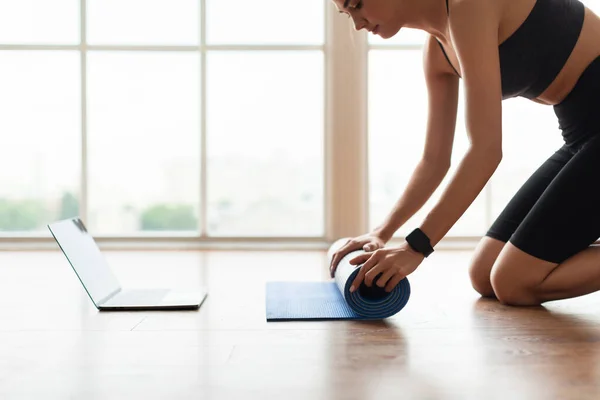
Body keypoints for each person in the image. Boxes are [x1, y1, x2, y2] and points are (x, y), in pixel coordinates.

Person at [328, 0, 600, 306]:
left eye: (357, 5)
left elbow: (485, 151)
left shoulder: (469, 6)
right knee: (484, 274)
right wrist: (382, 232)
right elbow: (434, 161)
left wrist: (415, 247)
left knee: (514, 282)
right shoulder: (437, 53)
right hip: (582, 136)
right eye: (346, 14)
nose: (357, 24)